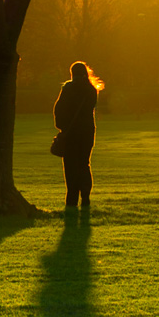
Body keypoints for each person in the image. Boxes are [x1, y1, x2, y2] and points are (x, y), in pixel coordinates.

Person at [54, 61, 102, 208]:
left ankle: (72, 198)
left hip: (70, 133)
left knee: (70, 166)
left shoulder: (68, 88)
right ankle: (86, 197)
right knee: (84, 163)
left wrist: (62, 126)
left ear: (72, 73)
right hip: (87, 132)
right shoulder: (92, 90)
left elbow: (58, 109)